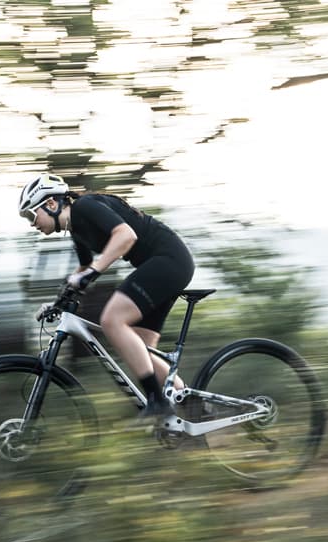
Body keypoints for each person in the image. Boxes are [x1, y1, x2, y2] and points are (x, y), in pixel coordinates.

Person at [18, 173, 195, 419]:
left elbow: (126, 235)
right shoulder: (77, 228)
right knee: (142, 350)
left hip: (168, 261)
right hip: (164, 266)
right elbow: (83, 268)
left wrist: (92, 272)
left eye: (31, 214)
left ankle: (157, 402)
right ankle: (193, 404)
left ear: (51, 204)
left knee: (112, 320)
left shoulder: (85, 207)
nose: (31, 223)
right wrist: (57, 301)